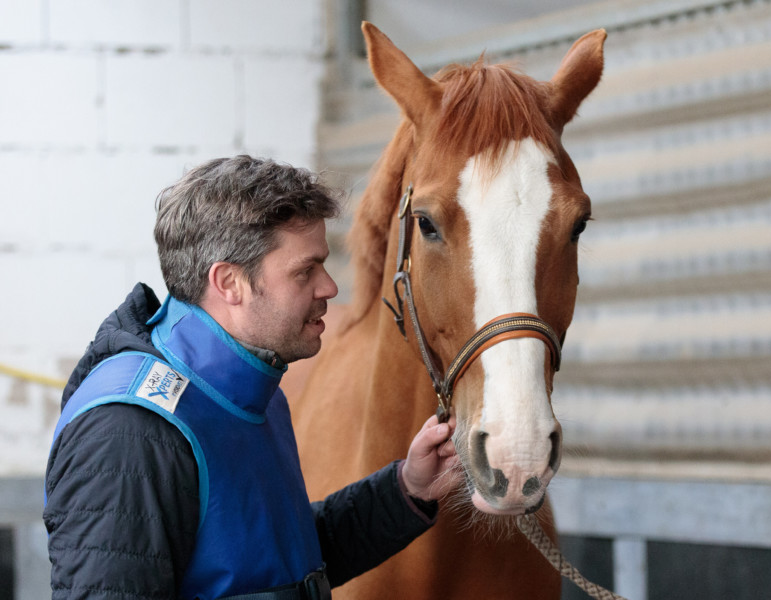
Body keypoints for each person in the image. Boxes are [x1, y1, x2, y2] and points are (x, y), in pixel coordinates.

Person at [43, 156, 462, 599]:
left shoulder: (249, 386)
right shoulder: (131, 434)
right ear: (229, 282)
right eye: (306, 270)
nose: (329, 288)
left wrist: (407, 488)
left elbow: (282, 560)